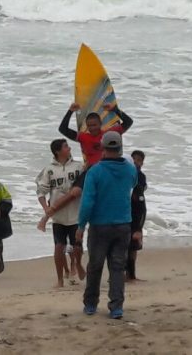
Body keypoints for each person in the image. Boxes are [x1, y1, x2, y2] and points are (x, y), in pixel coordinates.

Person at [75, 131, 137, 319]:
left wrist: (80, 226)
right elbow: (134, 184)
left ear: (102, 147)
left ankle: (91, 304)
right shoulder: (130, 169)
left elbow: (87, 202)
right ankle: (116, 307)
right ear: (120, 147)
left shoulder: (95, 171)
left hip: (100, 225)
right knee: (118, 267)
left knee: (95, 265)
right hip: (123, 224)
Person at [35, 139, 85, 287]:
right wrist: (46, 210)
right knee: (59, 247)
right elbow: (41, 192)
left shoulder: (79, 166)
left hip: (76, 214)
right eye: (65, 146)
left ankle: (76, 265)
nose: (69, 148)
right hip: (58, 217)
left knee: (77, 247)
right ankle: (60, 279)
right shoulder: (49, 169)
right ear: (57, 151)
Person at [58, 102, 133, 166]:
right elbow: (62, 129)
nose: (92, 128)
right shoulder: (83, 137)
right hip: (92, 171)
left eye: (94, 125)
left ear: (100, 124)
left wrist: (115, 109)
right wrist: (70, 111)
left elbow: (128, 122)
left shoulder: (109, 134)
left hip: (110, 169)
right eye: (89, 126)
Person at [126, 150, 147, 282]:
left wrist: (139, 228)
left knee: (133, 247)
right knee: (121, 247)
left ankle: (131, 275)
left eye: (139, 160)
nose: (136, 162)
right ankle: (121, 274)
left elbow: (141, 204)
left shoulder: (141, 176)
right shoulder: (125, 174)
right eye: (134, 159)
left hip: (136, 213)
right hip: (123, 214)